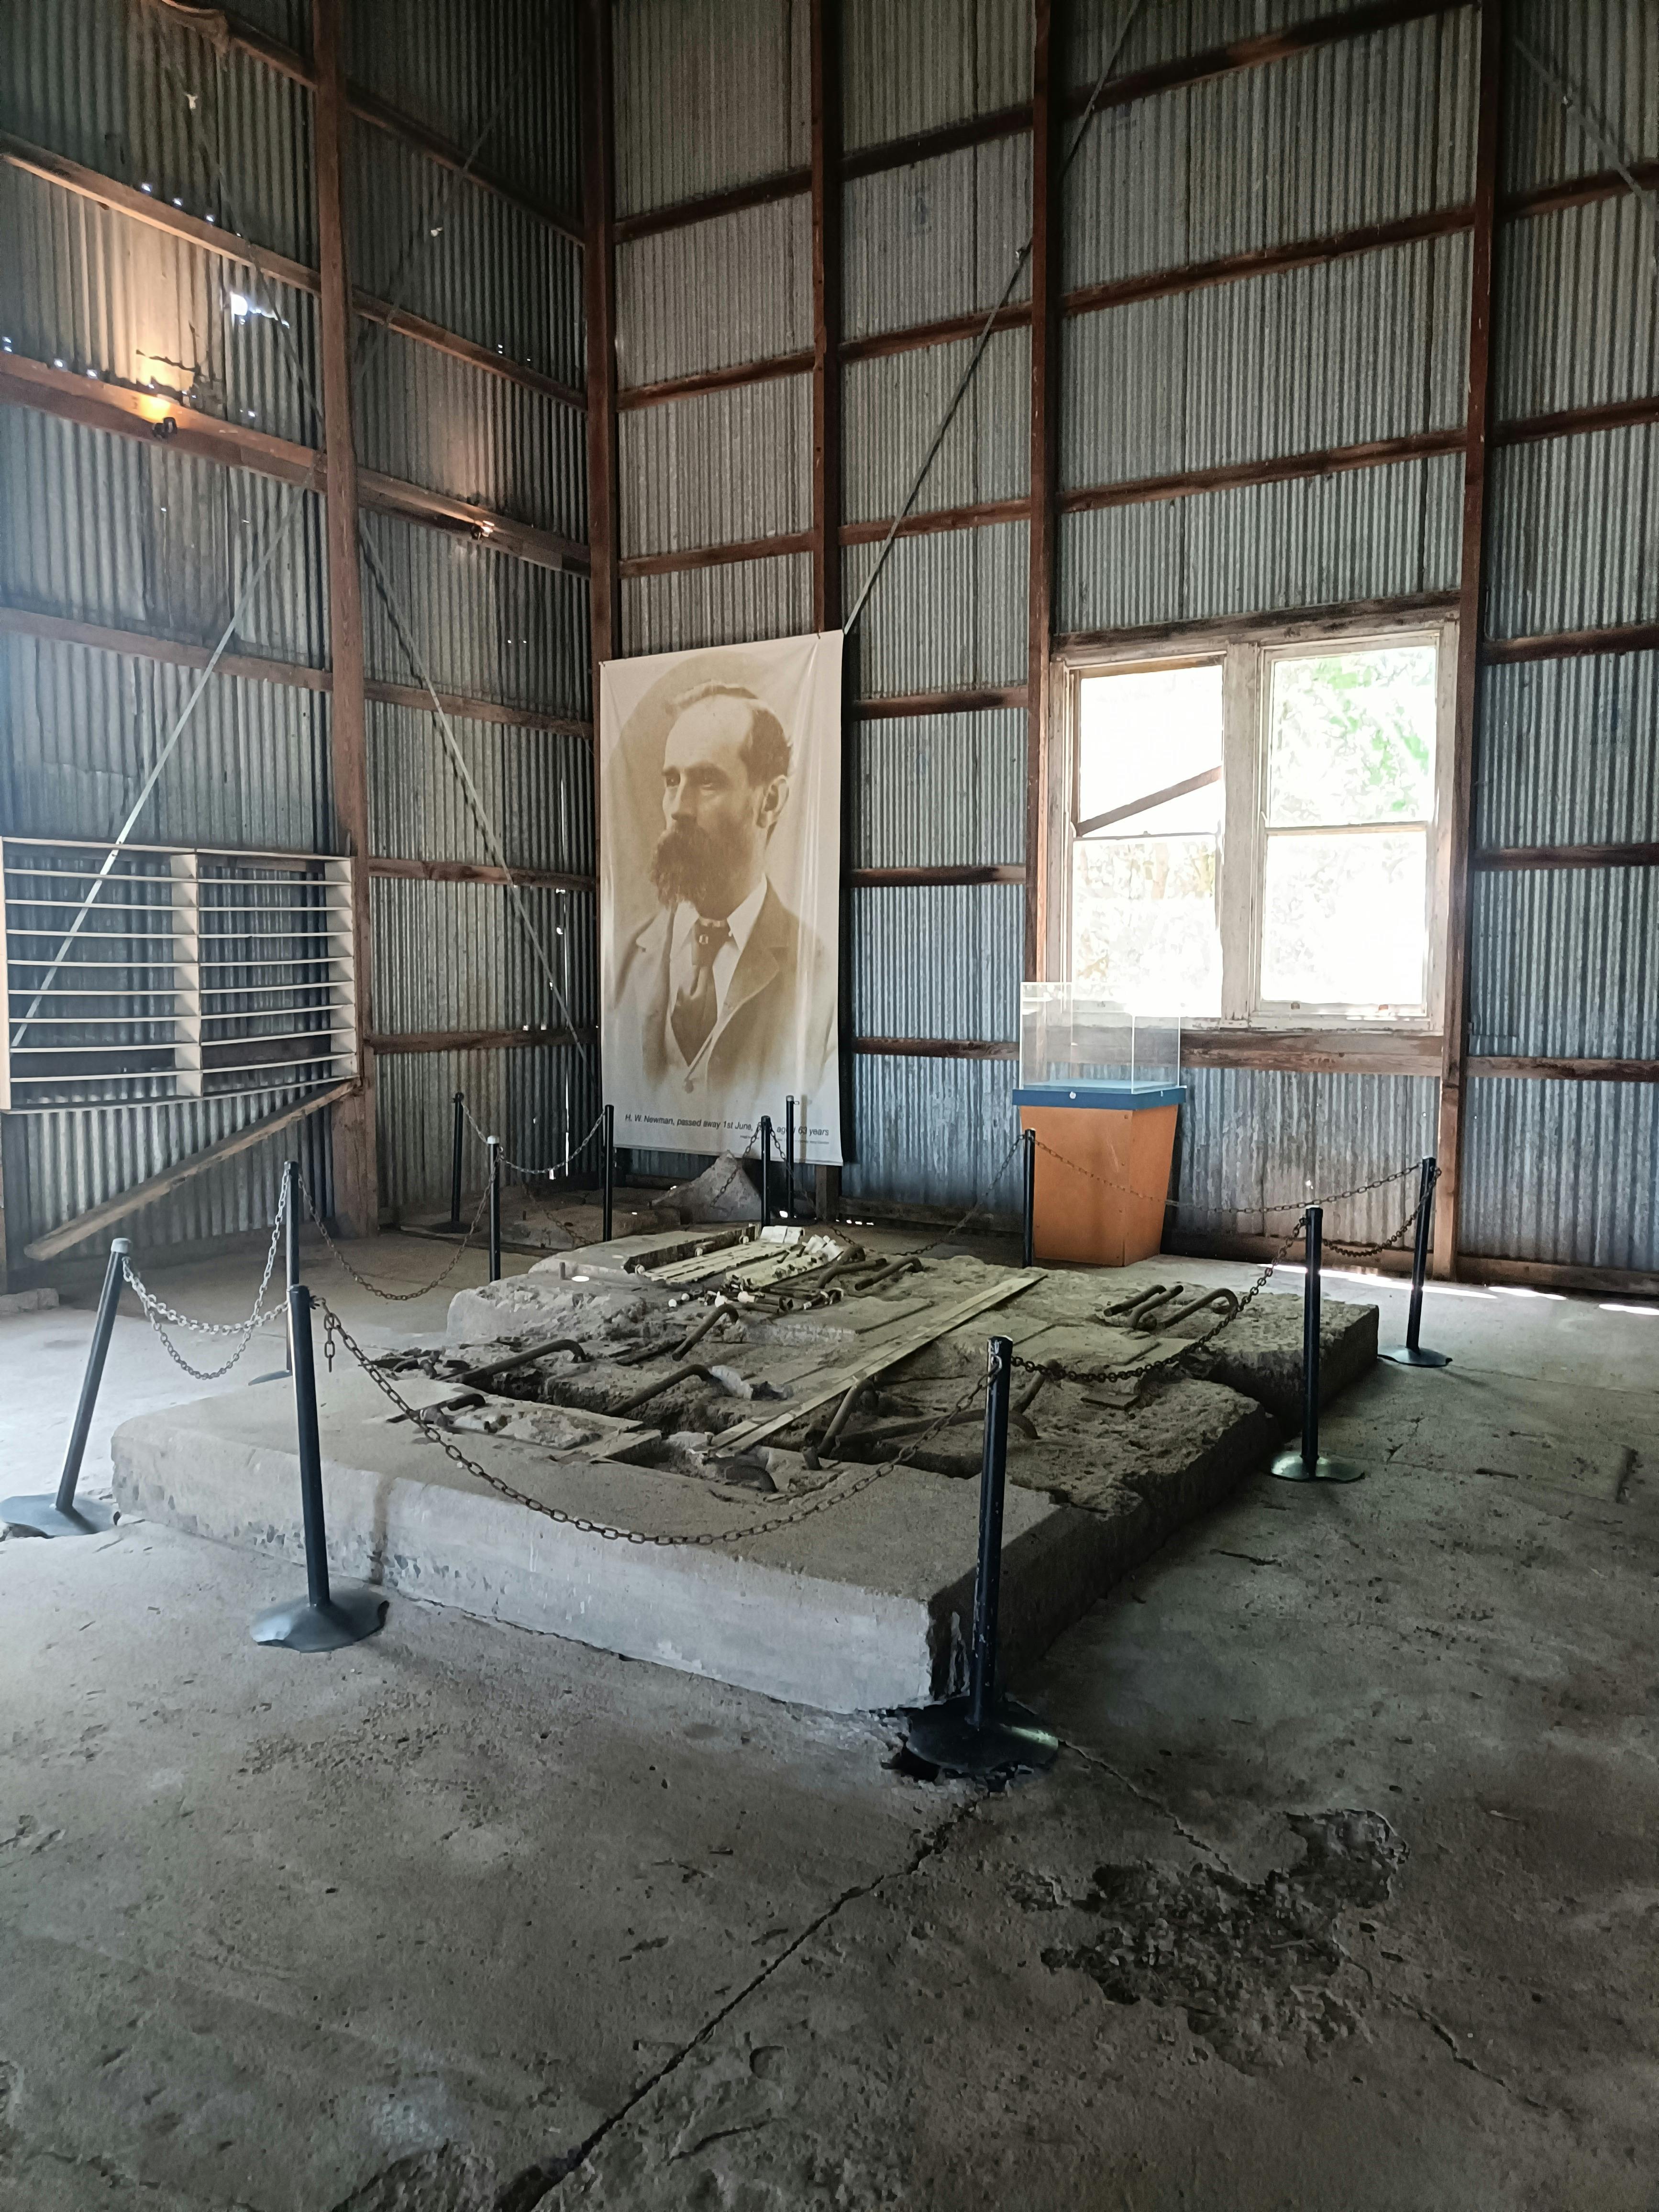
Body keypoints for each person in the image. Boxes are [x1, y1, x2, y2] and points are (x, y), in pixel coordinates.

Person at [610, 681, 837, 1105]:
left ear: (770, 800)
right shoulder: (625, 961)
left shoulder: (819, 976)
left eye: (707, 782)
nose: (678, 808)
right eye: (672, 780)